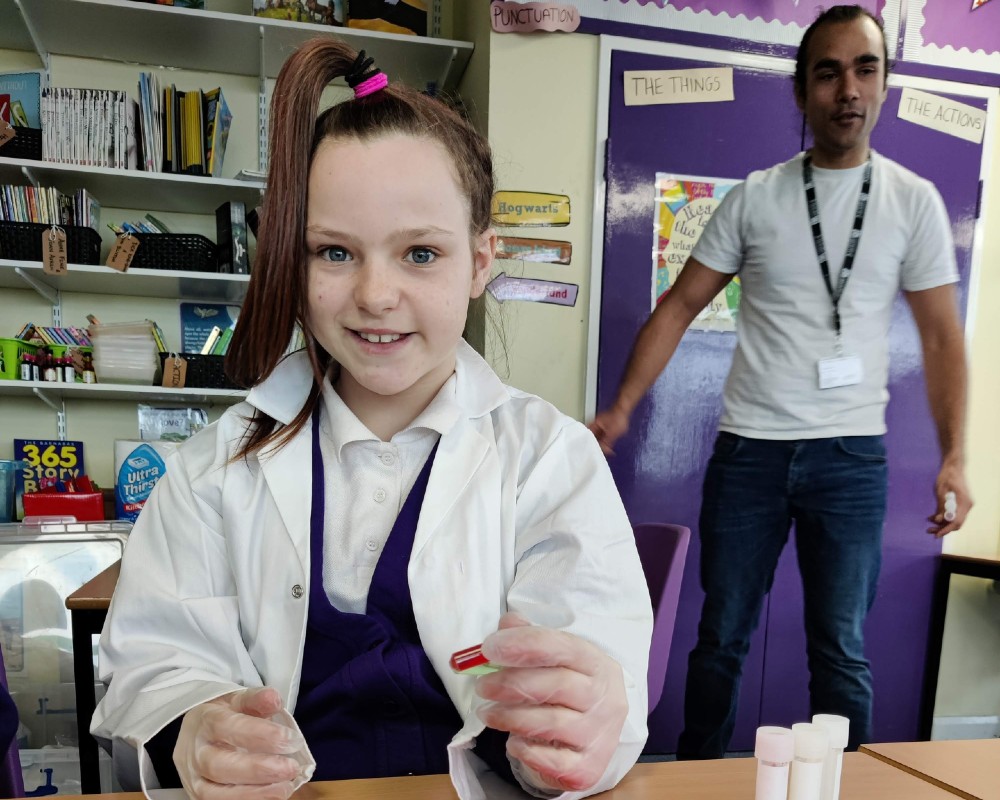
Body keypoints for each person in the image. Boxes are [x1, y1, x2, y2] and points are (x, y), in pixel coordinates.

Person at [92, 39, 652, 800]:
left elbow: (595, 667)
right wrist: (192, 723)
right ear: (293, 257)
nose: (375, 295)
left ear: (482, 261)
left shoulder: (548, 462)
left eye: (420, 254)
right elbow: (151, 661)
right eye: (333, 253)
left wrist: (581, 726)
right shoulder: (211, 472)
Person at [589, 4, 971, 759]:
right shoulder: (756, 197)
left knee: (840, 650)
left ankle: (848, 784)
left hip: (851, 460)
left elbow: (940, 338)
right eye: (828, 72)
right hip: (750, 455)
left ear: (886, 84)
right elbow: (678, 307)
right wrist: (622, 408)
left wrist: (956, 455)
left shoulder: (912, 202)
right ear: (802, 92)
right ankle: (699, 774)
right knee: (721, 638)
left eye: (865, 69)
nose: (848, 89)